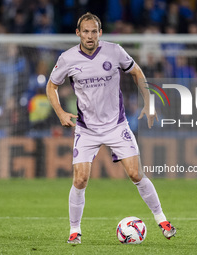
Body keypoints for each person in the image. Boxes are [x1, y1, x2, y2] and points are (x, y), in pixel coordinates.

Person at [46, 12, 176, 244]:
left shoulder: (114, 51)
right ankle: (74, 231)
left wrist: (149, 102)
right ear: (78, 33)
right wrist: (60, 113)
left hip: (116, 125)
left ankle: (162, 220)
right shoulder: (67, 59)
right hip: (86, 128)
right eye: (85, 31)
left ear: (100, 33)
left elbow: (136, 71)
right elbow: (51, 86)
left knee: (136, 173)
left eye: (94, 31)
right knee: (80, 179)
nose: (89, 36)